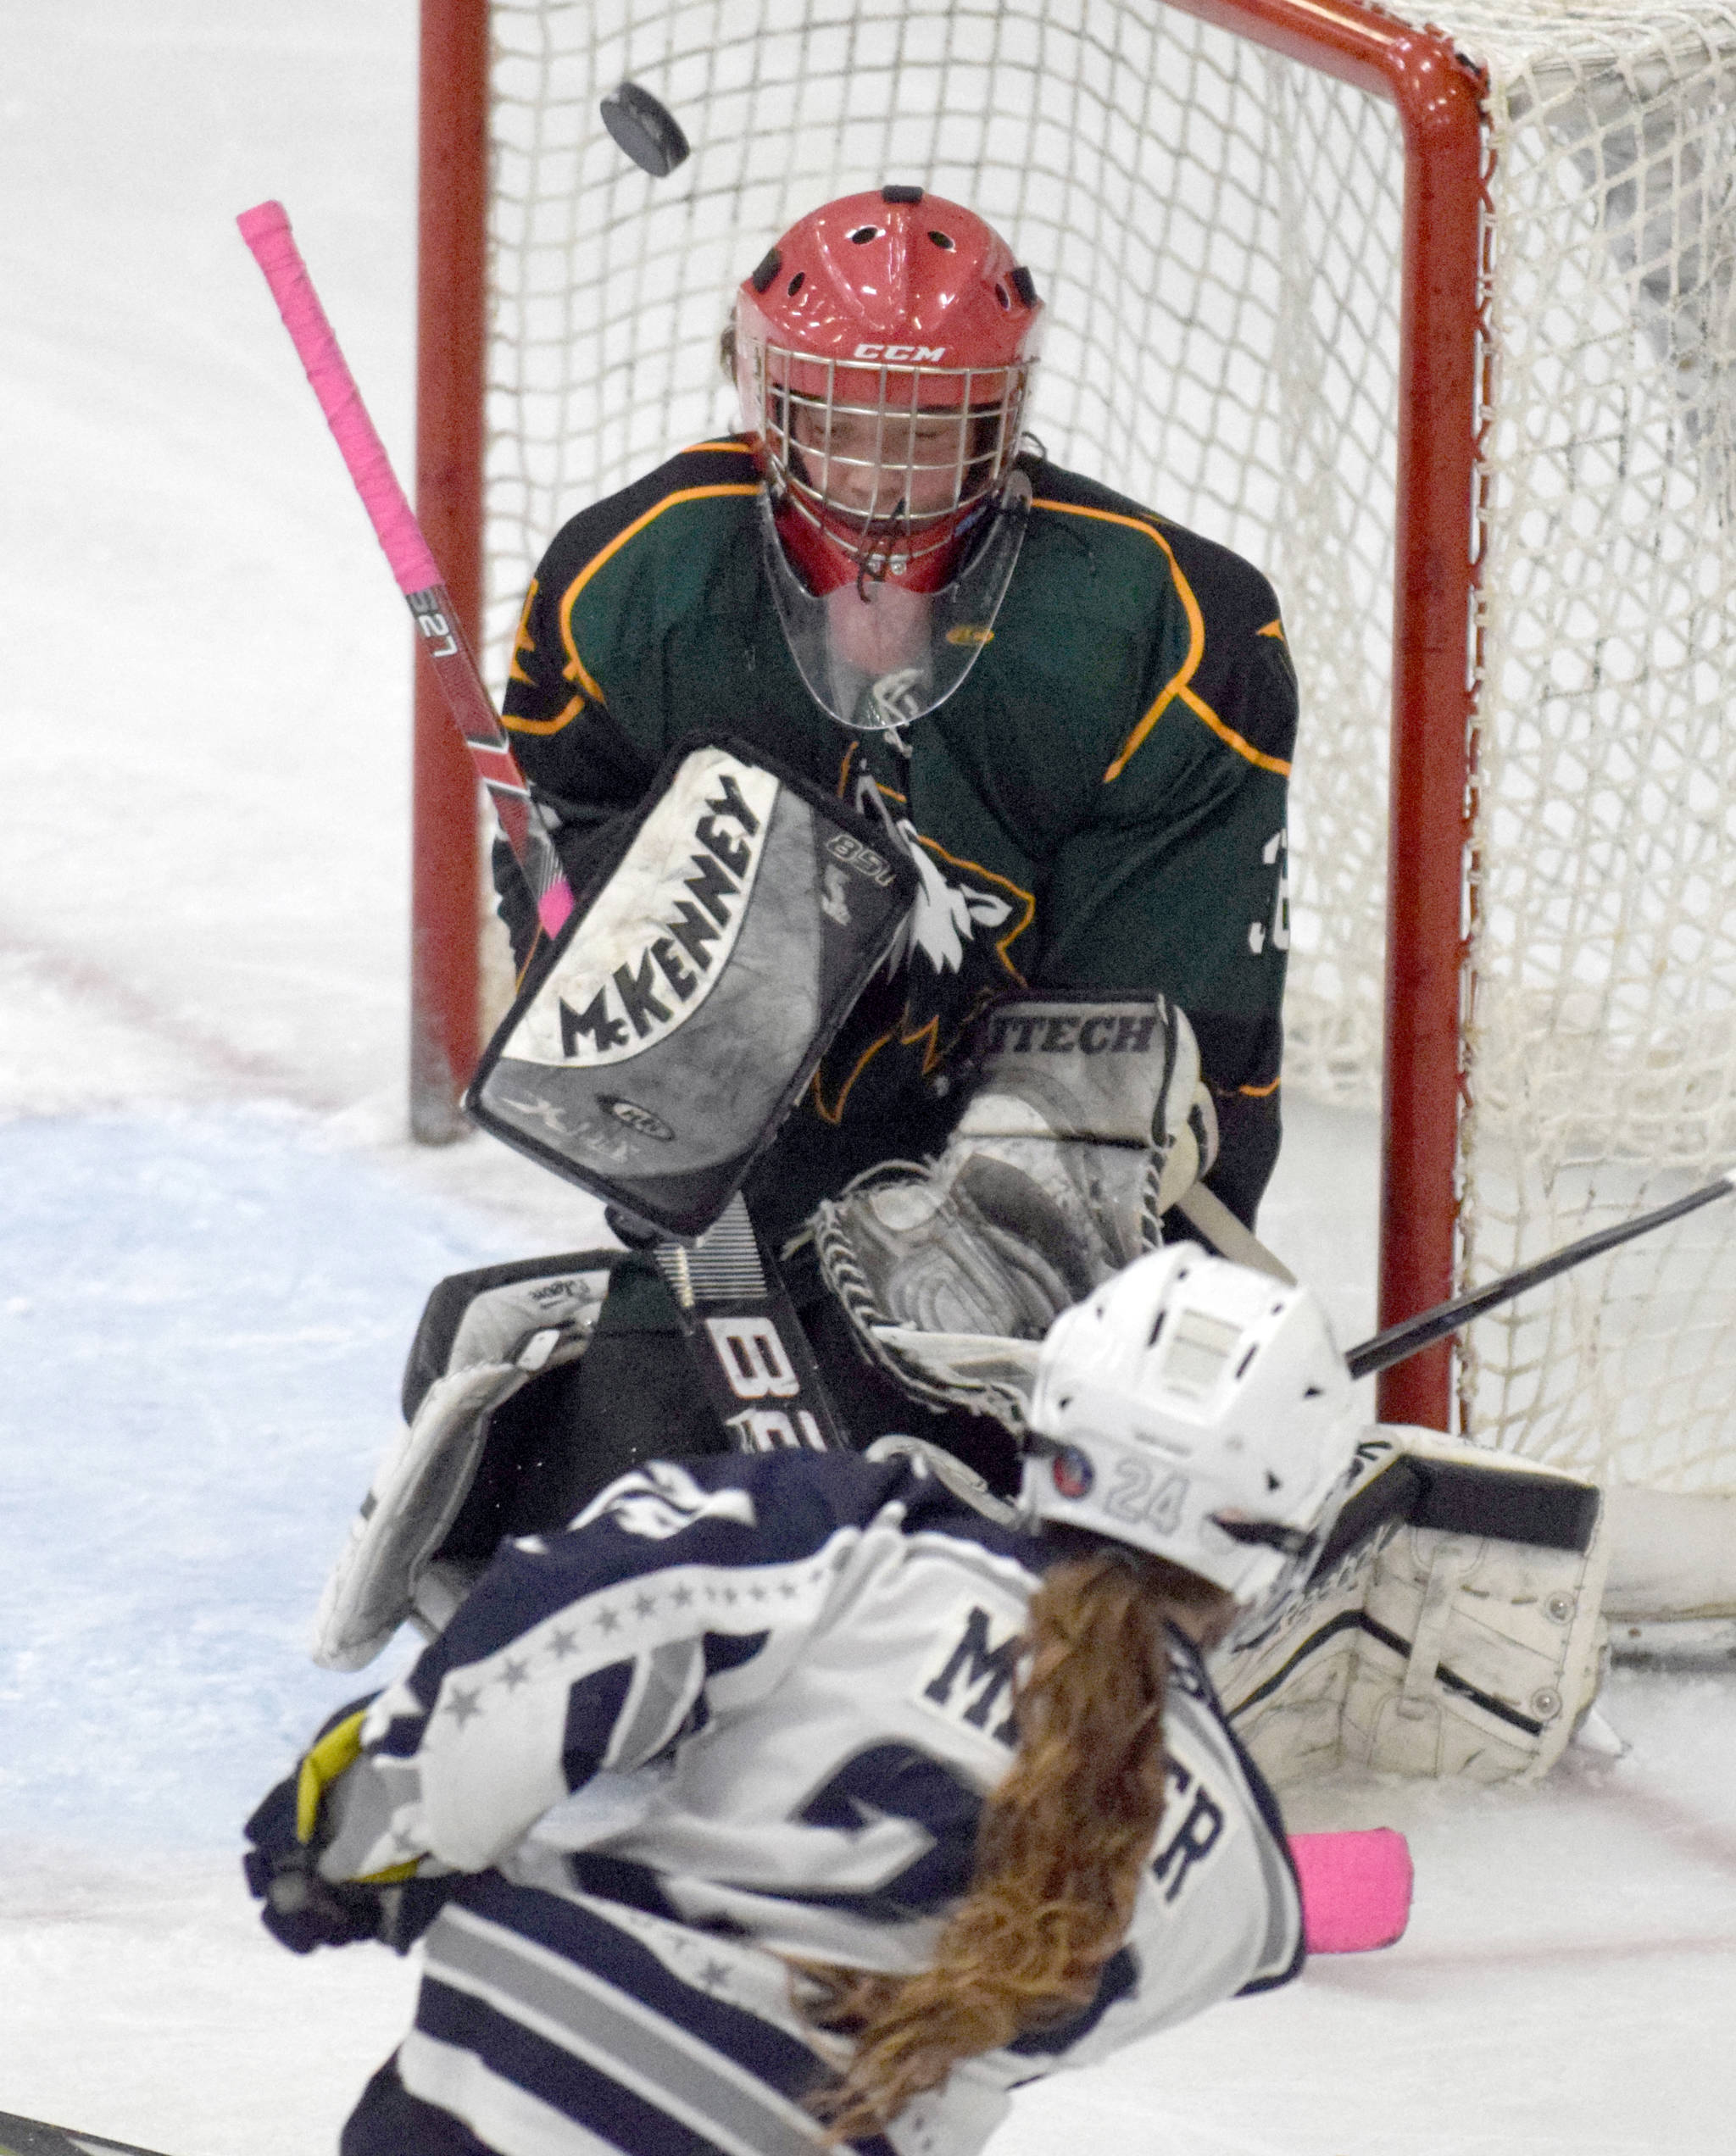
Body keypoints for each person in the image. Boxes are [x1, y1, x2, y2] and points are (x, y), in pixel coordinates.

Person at [473, 181, 1297, 1515]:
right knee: (617, 1480)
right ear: (760, 389)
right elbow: (561, 855)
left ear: (1010, 415)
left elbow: (1169, 1025)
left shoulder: (1173, 632)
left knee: (1018, 1526)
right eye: (844, 426)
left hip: (1048, 1215)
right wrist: (614, 1009)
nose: (884, 477)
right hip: (760, 1189)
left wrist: (1028, 1214)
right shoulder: (631, 578)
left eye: (932, 430)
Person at [245, 1248, 1358, 2155]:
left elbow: (549, 1648)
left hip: (522, 2094)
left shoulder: (863, 1543)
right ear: (1282, 1540)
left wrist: (349, 1841)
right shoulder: (1247, 1899)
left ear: (1053, 1412)